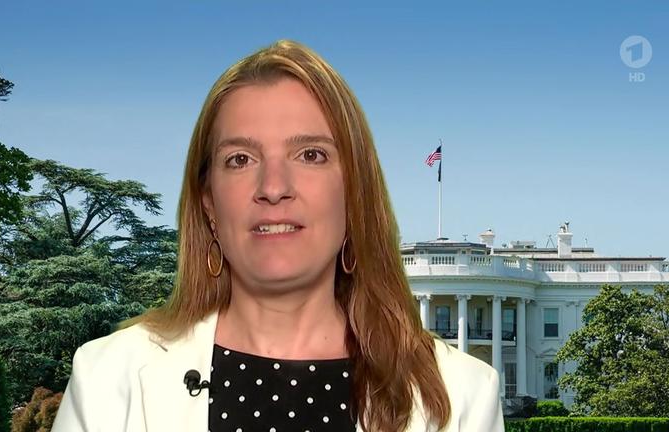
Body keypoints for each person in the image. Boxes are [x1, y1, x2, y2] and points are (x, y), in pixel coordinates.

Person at [52, 39, 504, 432]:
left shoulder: (462, 395)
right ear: (209, 204)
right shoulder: (108, 380)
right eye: (240, 159)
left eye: (310, 155)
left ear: (355, 194)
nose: (273, 188)